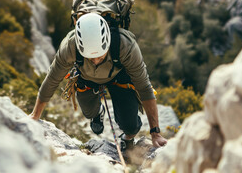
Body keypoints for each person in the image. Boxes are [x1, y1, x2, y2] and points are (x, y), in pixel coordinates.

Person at [29, 13, 167, 150]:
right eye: (89, 57)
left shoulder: (125, 46)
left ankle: (127, 138)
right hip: (86, 77)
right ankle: (97, 113)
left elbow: (144, 87)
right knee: (89, 113)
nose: (95, 61)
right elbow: (52, 80)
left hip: (119, 77)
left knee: (130, 126)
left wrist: (155, 132)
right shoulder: (70, 47)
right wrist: (35, 115)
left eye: (100, 57)